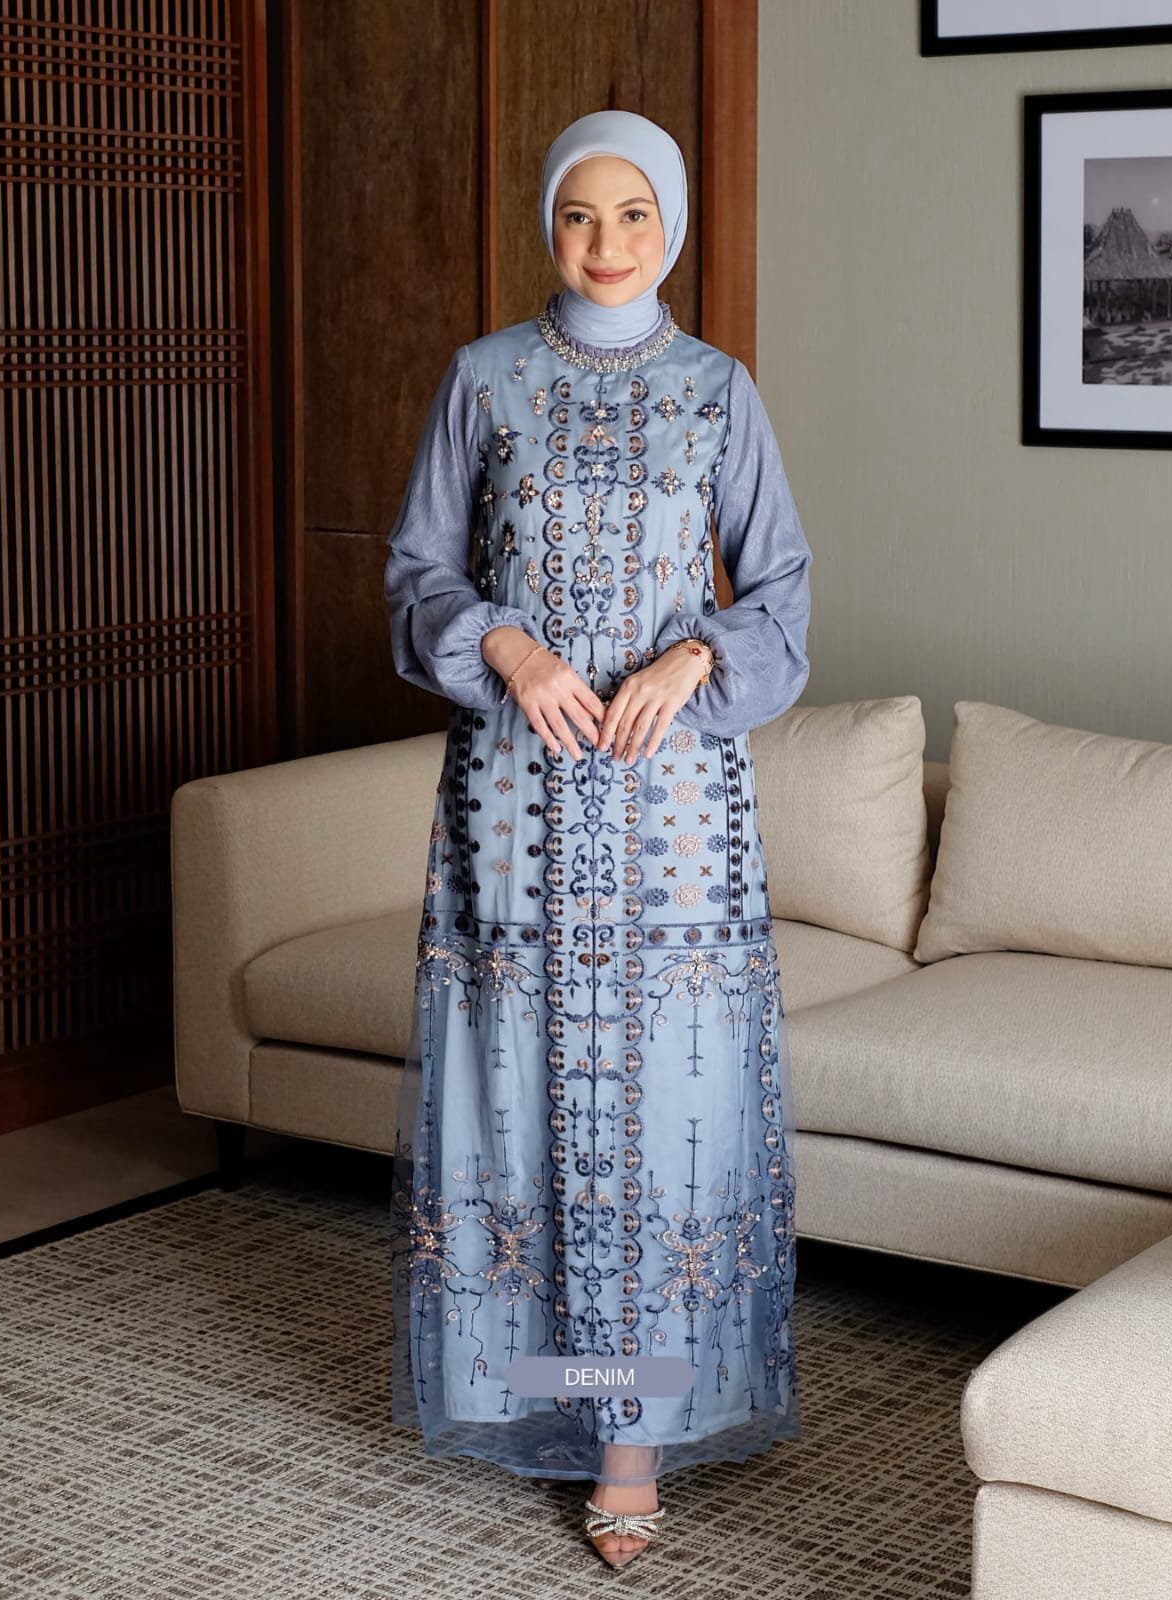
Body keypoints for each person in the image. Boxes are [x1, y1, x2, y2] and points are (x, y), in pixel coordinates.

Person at [385, 108, 811, 1570]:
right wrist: (505, 645)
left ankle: (637, 1436)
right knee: (512, 1092)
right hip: (513, 795)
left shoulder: (718, 390)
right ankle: (540, 1393)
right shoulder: (483, 379)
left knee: (670, 1102)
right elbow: (418, 572)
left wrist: (694, 658)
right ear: (547, 226)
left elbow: (782, 594)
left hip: (675, 808)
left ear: (671, 226)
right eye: (580, 214)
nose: (607, 243)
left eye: (635, 215)